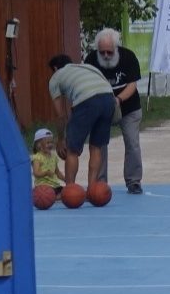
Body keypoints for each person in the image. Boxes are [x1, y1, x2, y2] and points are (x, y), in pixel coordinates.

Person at [84, 28, 145, 194]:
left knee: (132, 143)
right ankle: (100, 183)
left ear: (116, 48)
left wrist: (117, 100)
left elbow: (132, 85)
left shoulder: (128, 57)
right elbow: (86, 85)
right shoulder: (91, 59)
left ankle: (134, 181)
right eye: (102, 52)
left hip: (128, 107)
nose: (105, 55)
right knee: (99, 144)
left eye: (109, 52)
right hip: (101, 108)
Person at [47, 53, 116, 187]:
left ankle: (70, 189)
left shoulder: (56, 77)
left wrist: (60, 139)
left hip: (86, 101)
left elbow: (61, 116)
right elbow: (106, 87)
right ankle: (92, 189)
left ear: (55, 68)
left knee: (72, 150)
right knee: (96, 147)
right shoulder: (88, 67)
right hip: (108, 99)